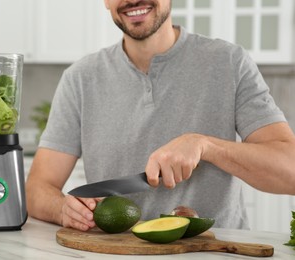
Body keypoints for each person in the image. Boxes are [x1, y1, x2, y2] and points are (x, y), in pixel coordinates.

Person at [25, 0, 295, 232]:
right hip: (118, 253)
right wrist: (62, 209)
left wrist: (205, 145)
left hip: (216, 252)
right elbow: (37, 188)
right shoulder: (80, 78)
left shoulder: (229, 62)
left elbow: (290, 172)